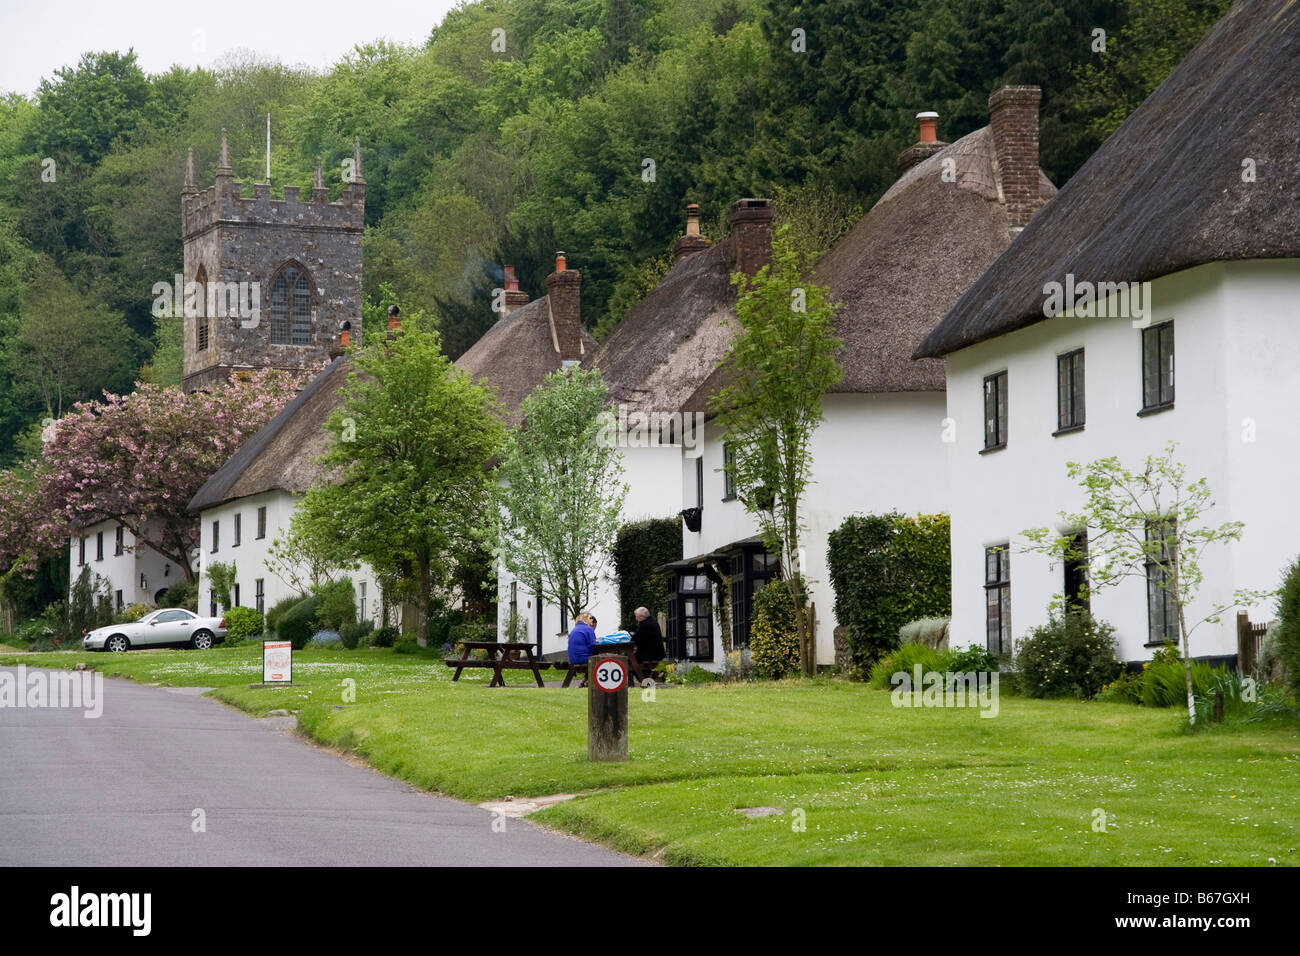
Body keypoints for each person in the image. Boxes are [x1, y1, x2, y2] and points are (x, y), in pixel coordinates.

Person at [631, 606, 666, 683]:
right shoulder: (652, 622)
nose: (636, 619)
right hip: (656, 653)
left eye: (636, 617)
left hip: (650, 655)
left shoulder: (645, 625)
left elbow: (635, 639)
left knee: (629, 660)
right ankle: (646, 678)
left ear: (641, 616)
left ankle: (643, 679)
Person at [567, 612, 597, 687]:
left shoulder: (574, 629)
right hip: (583, 658)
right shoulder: (588, 629)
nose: (592, 620)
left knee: (594, 659)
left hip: (573, 659)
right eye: (590, 618)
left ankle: (585, 680)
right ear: (584, 619)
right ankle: (589, 681)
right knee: (601, 658)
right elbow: (593, 646)